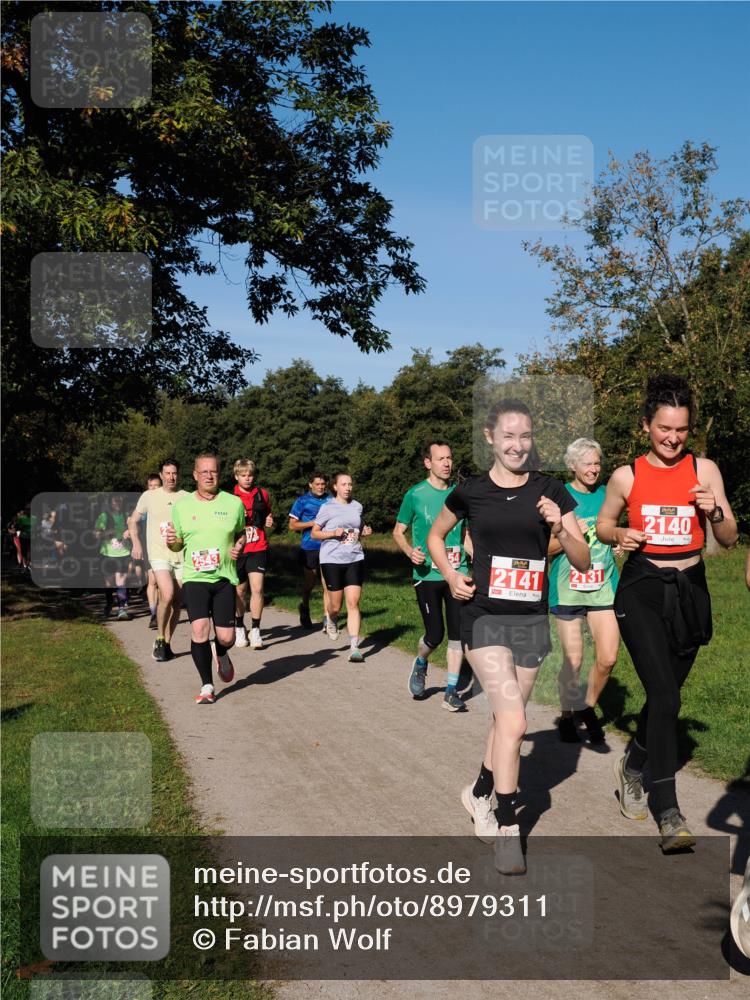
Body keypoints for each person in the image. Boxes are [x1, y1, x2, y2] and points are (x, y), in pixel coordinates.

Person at [428, 399, 588, 874]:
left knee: (504, 722)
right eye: (509, 436)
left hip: (531, 620)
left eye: (526, 436)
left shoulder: (551, 490)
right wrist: (450, 575)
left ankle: (477, 791)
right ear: (491, 439)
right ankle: (507, 828)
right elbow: (437, 536)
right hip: (483, 617)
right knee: (516, 722)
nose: (518, 445)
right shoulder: (470, 492)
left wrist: (559, 525)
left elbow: (581, 561)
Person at [597, 374, 738, 851]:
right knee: (665, 694)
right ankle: (669, 811)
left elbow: (730, 538)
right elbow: (603, 524)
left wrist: (714, 510)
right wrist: (620, 537)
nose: (673, 438)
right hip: (641, 589)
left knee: (667, 695)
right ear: (646, 426)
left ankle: (633, 763)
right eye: (664, 429)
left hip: (690, 590)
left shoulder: (706, 470)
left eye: (681, 429)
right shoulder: (626, 475)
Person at [547, 438, 622, 743]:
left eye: (597, 463)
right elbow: (545, 548)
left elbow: (612, 531)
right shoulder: (559, 496)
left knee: (608, 658)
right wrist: (567, 533)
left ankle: (586, 706)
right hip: (568, 590)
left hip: (603, 589)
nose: (594, 469)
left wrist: (617, 541)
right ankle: (566, 715)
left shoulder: (608, 496)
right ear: (572, 466)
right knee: (574, 660)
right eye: (588, 464)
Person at [394, 441, 471, 712]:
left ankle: (451, 691)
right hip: (426, 574)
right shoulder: (415, 494)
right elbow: (398, 531)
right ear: (428, 463)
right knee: (434, 634)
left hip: (457, 572)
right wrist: (408, 551)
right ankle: (421, 662)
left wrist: (479, 559)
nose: (447, 463)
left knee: (457, 634)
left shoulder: (461, 494)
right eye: (440, 459)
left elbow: (465, 536)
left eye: (449, 458)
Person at [167, 453, 246, 704]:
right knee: (199, 630)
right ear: (195, 475)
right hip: (195, 576)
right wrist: (172, 542)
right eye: (204, 472)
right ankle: (207, 685)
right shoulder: (182, 506)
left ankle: (221, 652)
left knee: (226, 637)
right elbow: (177, 545)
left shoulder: (233, 503)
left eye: (213, 472)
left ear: (219, 474)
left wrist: (240, 545)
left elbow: (242, 533)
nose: (209, 476)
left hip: (224, 577)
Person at [129, 461, 188, 661]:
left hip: (181, 555)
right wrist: (136, 543)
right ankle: (160, 637)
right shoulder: (149, 496)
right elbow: (133, 520)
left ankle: (167, 642)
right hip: (158, 554)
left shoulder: (186, 497)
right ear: (161, 475)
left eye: (174, 473)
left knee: (178, 601)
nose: (171, 477)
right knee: (168, 594)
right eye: (167, 473)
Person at [311, 472, 373, 662]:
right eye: (344, 484)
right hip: (332, 559)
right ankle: (331, 617)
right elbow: (314, 534)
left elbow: (358, 528)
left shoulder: (357, 506)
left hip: (355, 557)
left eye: (350, 484)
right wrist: (332, 533)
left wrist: (365, 530)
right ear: (335, 487)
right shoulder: (327, 507)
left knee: (353, 602)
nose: (348, 488)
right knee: (336, 605)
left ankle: (354, 647)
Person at [232, 459, 274, 649]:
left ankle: (255, 629)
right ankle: (239, 627)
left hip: (258, 546)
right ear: (236, 476)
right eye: (243, 475)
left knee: (257, 589)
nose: (247, 479)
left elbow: (268, 514)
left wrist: (268, 521)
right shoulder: (230, 497)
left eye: (250, 475)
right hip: (238, 549)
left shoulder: (262, 494)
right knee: (240, 591)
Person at [289, 473, 332, 629]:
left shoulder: (331, 500)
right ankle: (304, 606)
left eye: (323, 484)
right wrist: (314, 523)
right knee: (310, 582)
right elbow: (292, 525)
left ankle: (327, 618)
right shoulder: (302, 501)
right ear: (310, 484)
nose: (320, 487)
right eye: (317, 484)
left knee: (327, 583)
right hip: (309, 547)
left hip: (329, 545)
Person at [95, 495, 133, 620]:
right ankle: (109, 603)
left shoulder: (126, 516)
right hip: (108, 555)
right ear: (110, 502)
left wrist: (130, 532)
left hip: (124, 553)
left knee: (121, 582)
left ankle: (122, 609)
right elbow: (96, 534)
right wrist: (106, 532)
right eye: (115, 499)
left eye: (119, 500)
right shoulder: (104, 516)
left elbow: (135, 529)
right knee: (109, 583)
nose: (117, 502)